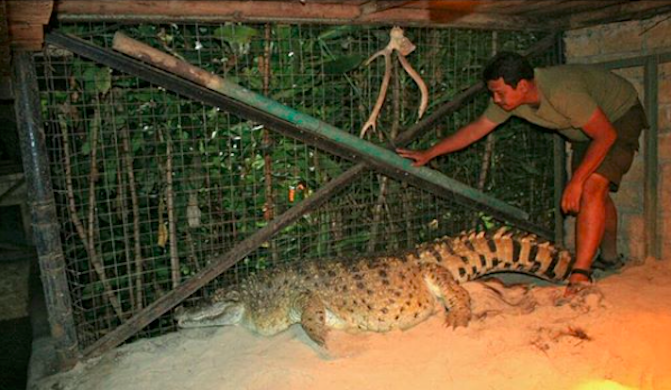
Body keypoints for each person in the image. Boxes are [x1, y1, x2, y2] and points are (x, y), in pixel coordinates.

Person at [396, 52, 648, 296]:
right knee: (597, 193)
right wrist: (430, 153)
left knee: (591, 187)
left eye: (499, 93)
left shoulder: (562, 92)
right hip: (585, 129)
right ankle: (610, 257)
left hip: (617, 119)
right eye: (493, 93)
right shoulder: (511, 101)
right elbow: (477, 129)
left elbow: (606, 135)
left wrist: (576, 181)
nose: (495, 99)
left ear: (524, 86)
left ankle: (581, 274)